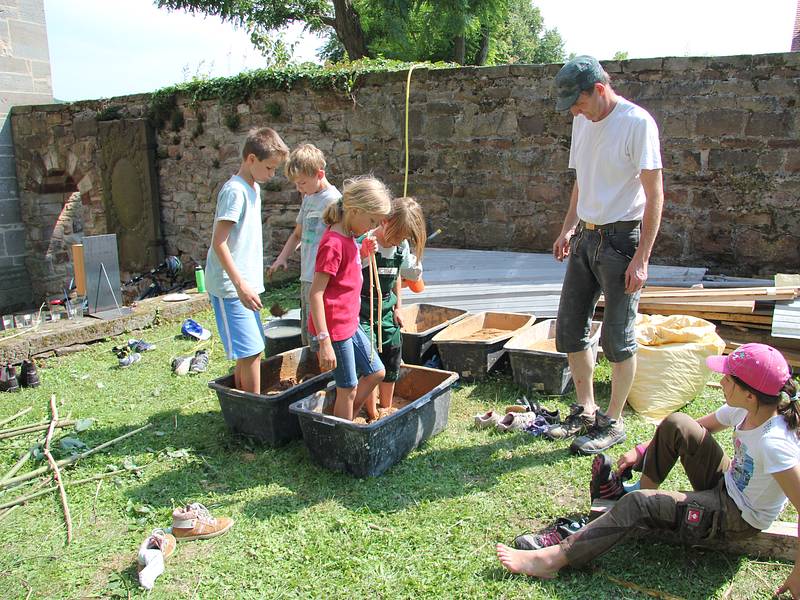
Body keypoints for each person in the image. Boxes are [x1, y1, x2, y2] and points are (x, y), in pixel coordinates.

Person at [497, 343, 800, 599]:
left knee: (637, 504)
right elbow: (695, 428)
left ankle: (552, 560)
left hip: (738, 517)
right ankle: (643, 499)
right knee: (677, 423)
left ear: (750, 394)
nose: (721, 382)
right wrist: (642, 451)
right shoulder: (747, 408)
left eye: (728, 379)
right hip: (727, 483)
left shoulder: (774, 444)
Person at [546, 55, 665, 455]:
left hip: (622, 241)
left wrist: (642, 258)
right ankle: (585, 409)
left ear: (599, 89)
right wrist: (568, 227)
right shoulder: (582, 120)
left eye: (578, 103)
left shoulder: (637, 123)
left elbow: (655, 195)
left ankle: (612, 422)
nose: (575, 112)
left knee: (618, 337)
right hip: (586, 236)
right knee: (570, 328)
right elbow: (582, 180)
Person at [205, 127, 289, 393]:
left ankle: (245, 405)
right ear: (251, 159)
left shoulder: (253, 188)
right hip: (231, 287)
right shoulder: (235, 191)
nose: (272, 174)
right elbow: (219, 242)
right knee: (251, 351)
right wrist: (240, 285)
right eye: (269, 167)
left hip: (247, 286)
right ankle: (255, 406)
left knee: (251, 350)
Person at [309, 176, 393, 421]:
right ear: (355, 211)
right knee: (347, 388)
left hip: (350, 323)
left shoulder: (348, 238)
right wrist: (324, 340)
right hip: (334, 330)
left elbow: (345, 272)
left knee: (376, 372)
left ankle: (348, 418)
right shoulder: (333, 244)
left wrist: (363, 252)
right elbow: (316, 293)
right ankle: (342, 434)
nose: (371, 227)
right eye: (372, 221)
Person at [358, 197, 426, 418]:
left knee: (392, 355)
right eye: (397, 235)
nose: (398, 241)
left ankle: (385, 407)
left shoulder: (400, 246)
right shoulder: (367, 242)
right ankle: (371, 411)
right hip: (363, 309)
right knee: (370, 361)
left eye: (403, 238)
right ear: (384, 221)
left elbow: (397, 275)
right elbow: (350, 271)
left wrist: (398, 307)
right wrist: (362, 254)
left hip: (388, 308)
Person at [268, 144, 342, 344]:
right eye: (296, 184)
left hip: (323, 278)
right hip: (306, 276)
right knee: (308, 333)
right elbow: (297, 234)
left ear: (320, 174)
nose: (298, 188)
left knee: (320, 333)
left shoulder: (334, 201)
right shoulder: (309, 198)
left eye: (302, 183)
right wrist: (282, 258)